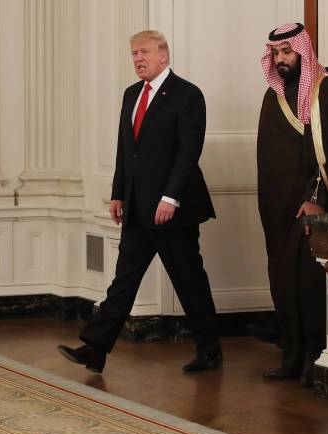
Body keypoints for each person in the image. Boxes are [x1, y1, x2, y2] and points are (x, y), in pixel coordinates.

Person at [57, 30, 221, 374]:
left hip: (172, 210)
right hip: (136, 207)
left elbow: (188, 153)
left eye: (144, 52)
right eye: (133, 53)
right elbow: (125, 151)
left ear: (164, 55)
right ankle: (96, 349)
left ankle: (210, 351)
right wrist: (118, 193)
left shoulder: (188, 95)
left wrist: (170, 198)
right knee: (123, 281)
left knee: (189, 281)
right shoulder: (132, 94)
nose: (137, 59)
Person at [257, 23, 328, 386]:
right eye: (275, 53)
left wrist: (317, 201)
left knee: (307, 284)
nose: (281, 60)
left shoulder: (326, 91)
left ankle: (314, 354)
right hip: (276, 209)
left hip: (308, 206)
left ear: (302, 52)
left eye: (286, 52)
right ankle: (291, 354)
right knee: (282, 282)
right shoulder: (272, 96)